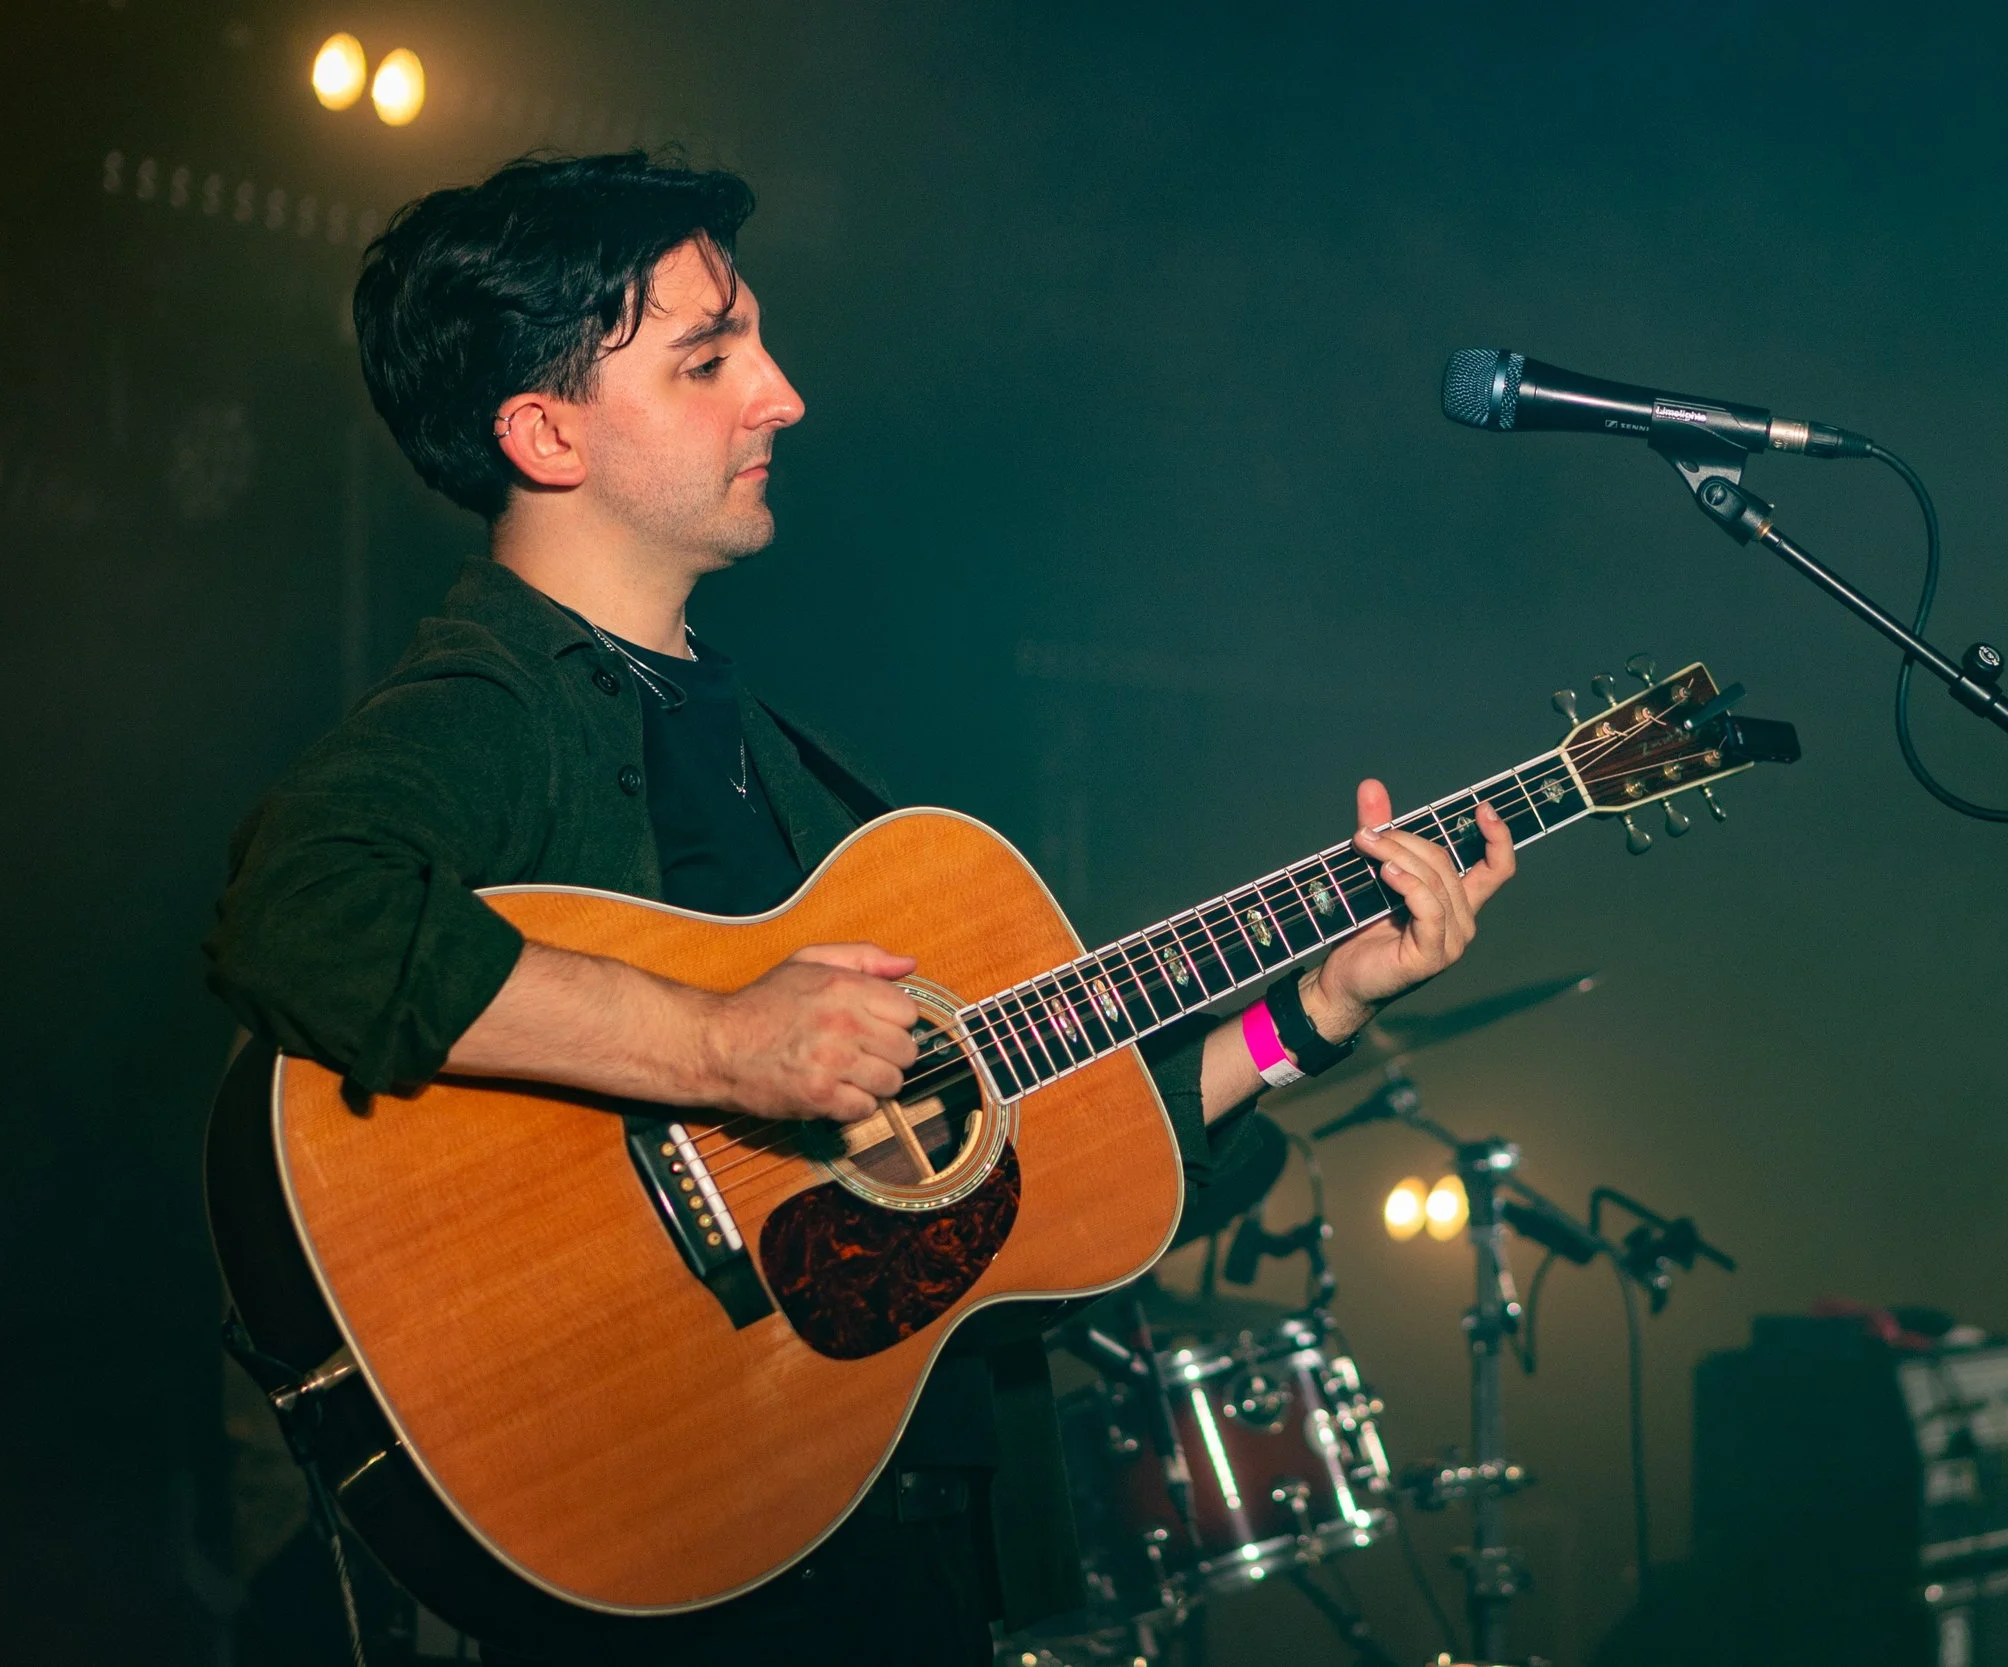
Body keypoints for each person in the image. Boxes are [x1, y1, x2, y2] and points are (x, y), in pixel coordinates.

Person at [204, 150, 1515, 1665]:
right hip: (693, 1556)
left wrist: (1312, 1014)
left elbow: (1050, 1181)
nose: (782, 395)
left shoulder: (794, 772)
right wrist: (719, 1044)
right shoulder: (493, 705)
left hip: (898, 1545)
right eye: (709, 359)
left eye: (754, 343)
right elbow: (296, 914)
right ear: (545, 432)